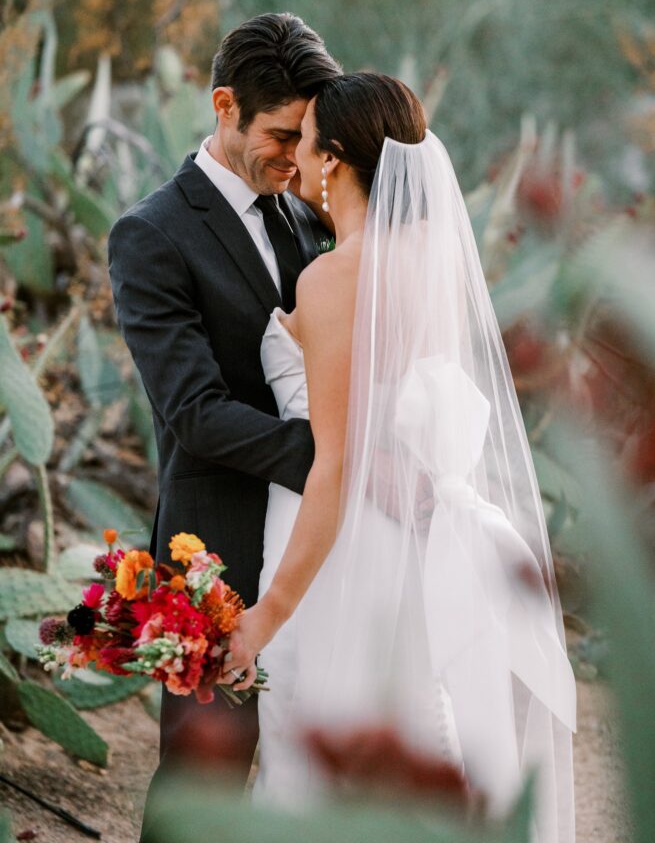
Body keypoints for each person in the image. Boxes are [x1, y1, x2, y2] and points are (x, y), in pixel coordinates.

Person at [225, 73, 577, 843]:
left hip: (329, 544)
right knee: (406, 737)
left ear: (335, 159)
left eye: (307, 139)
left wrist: (268, 614)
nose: (297, 154)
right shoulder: (430, 260)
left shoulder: (332, 279)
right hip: (409, 541)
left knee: (318, 749)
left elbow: (337, 462)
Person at [107, 13, 341, 840]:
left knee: (303, 768)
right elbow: (194, 414)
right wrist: (335, 466)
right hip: (214, 552)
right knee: (203, 783)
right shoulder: (151, 234)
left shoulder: (303, 215)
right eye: (281, 135)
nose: (297, 157)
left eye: (306, 139)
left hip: (310, 544)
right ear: (222, 105)